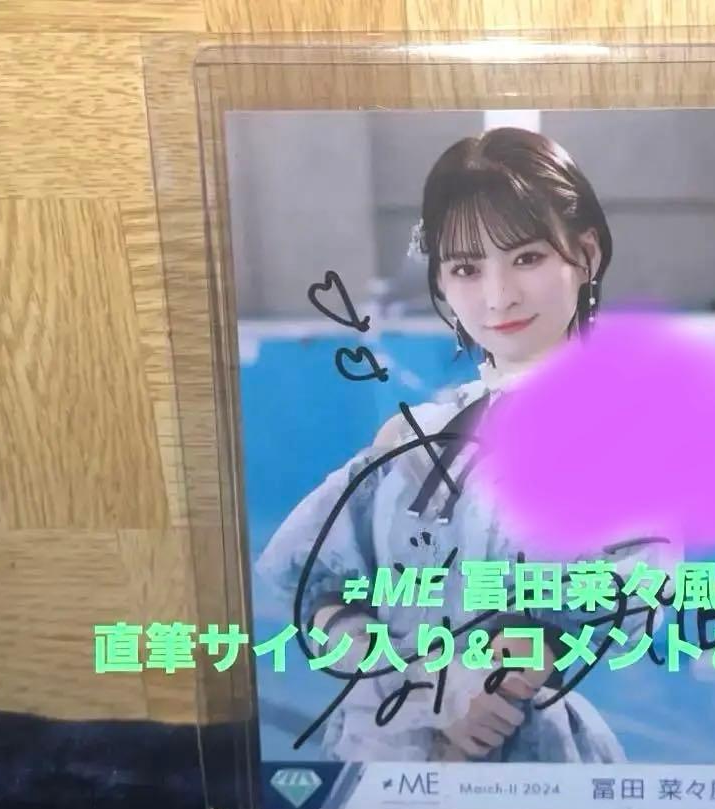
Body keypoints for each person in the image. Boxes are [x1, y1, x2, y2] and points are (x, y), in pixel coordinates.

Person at [255, 126, 678, 765]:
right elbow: (319, 591)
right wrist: (418, 685)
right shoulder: (412, 437)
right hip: (374, 766)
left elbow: (611, 599)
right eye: (466, 268)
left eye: (527, 258)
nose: (498, 296)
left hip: (528, 771)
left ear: (586, 255)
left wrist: (484, 689)